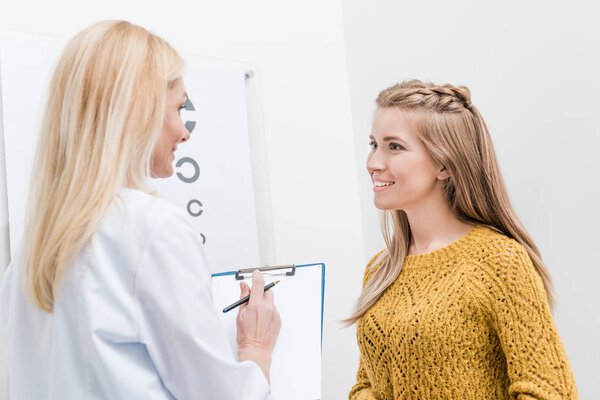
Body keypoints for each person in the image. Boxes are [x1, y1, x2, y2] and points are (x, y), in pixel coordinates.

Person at [0, 20, 280, 399]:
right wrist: (256, 350)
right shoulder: (151, 228)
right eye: (179, 108)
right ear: (140, 111)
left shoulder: (31, 252)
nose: (185, 131)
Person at [347, 80, 577, 399]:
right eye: (373, 144)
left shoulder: (500, 260)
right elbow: (367, 385)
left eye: (394, 146)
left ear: (443, 163)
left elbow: (549, 391)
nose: (373, 163)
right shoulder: (380, 269)